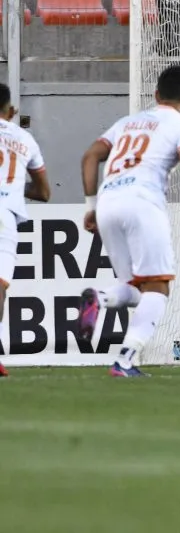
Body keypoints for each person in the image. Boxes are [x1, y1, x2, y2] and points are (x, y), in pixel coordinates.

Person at [79, 65, 180, 377]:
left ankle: (99, 298)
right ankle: (125, 361)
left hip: (107, 203)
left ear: (156, 95)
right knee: (158, 287)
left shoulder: (126, 123)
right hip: (142, 202)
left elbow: (90, 156)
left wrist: (91, 206)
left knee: (136, 287)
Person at [0, 85, 50, 377]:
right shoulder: (25, 139)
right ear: (11, 111)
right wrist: (17, 187)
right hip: (5, 214)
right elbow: (44, 192)